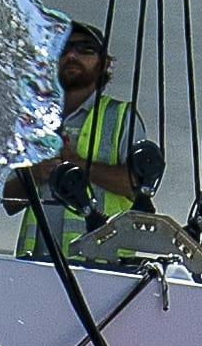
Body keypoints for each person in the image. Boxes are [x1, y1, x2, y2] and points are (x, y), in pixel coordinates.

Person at [8, 21, 157, 233]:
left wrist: (78, 164)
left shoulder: (122, 117)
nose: (71, 56)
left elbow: (137, 188)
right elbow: (7, 201)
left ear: (105, 63)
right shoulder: (34, 120)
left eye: (85, 49)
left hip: (103, 261)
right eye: (63, 49)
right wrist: (35, 174)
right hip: (36, 262)